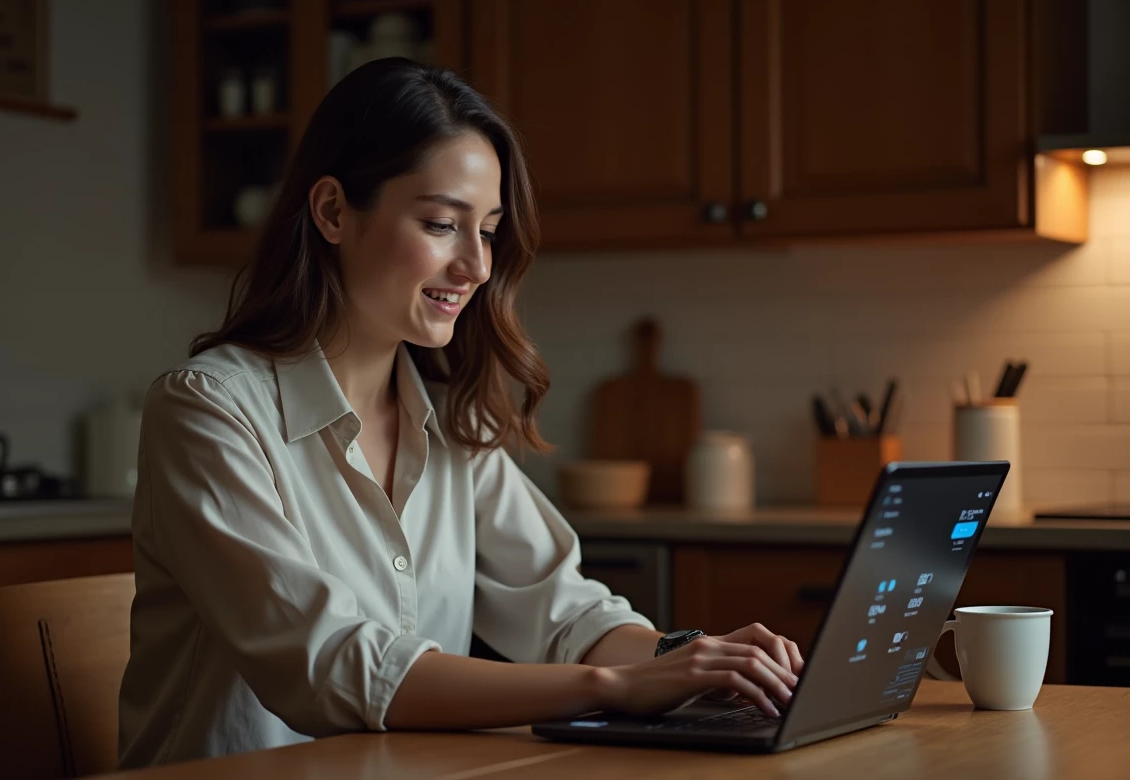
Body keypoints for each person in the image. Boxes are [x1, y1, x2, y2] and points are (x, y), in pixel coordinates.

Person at [116, 58, 803, 768]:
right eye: (443, 223)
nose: (477, 266)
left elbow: (565, 611)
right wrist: (617, 686)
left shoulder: (452, 423)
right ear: (331, 212)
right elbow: (328, 666)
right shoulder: (207, 410)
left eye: (490, 230)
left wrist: (698, 660)